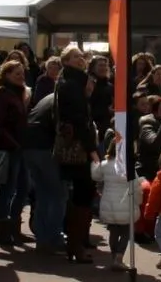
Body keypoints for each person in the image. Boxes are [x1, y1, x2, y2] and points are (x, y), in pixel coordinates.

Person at [55, 45, 100, 264]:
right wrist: (92, 149)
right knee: (82, 194)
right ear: (65, 61)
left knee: (80, 195)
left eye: (81, 56)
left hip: (77, 142)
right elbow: (79, 119)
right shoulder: (71, 84)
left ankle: (77, 243)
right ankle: (76, 245)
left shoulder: (75, 81)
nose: (80, 60)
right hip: (77, 145)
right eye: (74, 57)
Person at [0, 59, 30, 245]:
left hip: (20, 146)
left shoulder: (19, 93)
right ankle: (3, 229)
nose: (21, 77)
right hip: (9, 148)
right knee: (7, 188)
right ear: (6, 75)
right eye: (17, 74)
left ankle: (15, 226)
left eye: (22, 73)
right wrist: (12, 144)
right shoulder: (0, 94)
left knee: (22, 188)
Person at [91, 132, 144, 272]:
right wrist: (139, 201)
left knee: (113, 231)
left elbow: (96, 175)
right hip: (126, 202)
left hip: (109, 203)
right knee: (126, 232)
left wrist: (95, 161)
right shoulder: (128, 166)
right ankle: (119, 257)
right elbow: (136, 187)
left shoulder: (105, 164)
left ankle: (114, 256)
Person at [22, 90, 67, 253]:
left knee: (43, 194)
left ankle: (42, 239)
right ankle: (54, 238)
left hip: (29, 147)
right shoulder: (64, 99)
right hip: (45, 149)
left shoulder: (49, 98)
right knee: (58, 194)